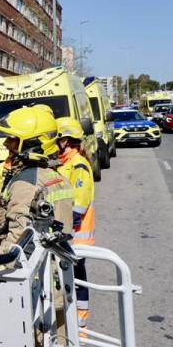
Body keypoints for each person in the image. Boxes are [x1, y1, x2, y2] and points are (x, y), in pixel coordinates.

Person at [0, 104, 76, 254]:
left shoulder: (26, 183)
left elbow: (18, 239)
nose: (6, 144)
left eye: (12, 139)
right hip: (54, 265)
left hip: (30, 271)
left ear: (31, 142)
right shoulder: (57, 177)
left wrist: (2, 270)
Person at [55, 117, 95, 327]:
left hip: (76, 238)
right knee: (68, 280)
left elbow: (78, 208)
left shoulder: (79, 165)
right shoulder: (66, 163)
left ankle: (80, 323)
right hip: (67, 236)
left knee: (77, 280)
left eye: (57, 139)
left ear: (66, 140)